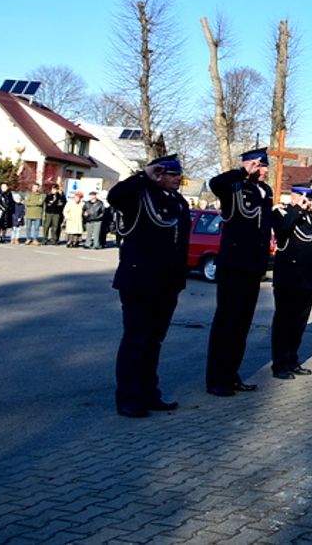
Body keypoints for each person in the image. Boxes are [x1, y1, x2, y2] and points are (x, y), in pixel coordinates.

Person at [109, 154, 191, 418]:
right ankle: (129, 398)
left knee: (154, 341)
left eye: (179, 174)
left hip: (167, 284)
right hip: (139, 281)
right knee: (136, 340)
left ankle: (149, 393)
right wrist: (144, 175)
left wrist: (179, 280)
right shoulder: (139, 196)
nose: (178, 178)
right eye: (171, 174)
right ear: (159, 174)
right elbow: (115, 197)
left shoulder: (178, 201)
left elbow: (180, 244)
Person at [205, 148, 274, 398]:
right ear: (251, 164)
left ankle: (232, 374)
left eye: (265, 166)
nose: (265, 170)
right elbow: (215, 183)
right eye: (261, 165)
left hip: (253, 266)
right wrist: (242, 172)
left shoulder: (266, 192)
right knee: (227, 323)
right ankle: (216, 378)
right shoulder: (232, 187)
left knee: (242, 325)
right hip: (233, 265)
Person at [270, 185, 312, 380]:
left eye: (309, 199)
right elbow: (282, 230)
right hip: (289, 279)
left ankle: (292, 360)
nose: (307, 203)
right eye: (304, 198)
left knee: (299, 323)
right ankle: (280, 364)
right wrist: (296, 209)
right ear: (294, 197)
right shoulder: (283, 213)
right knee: (284, 322)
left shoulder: (310, 217)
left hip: (307, 279)